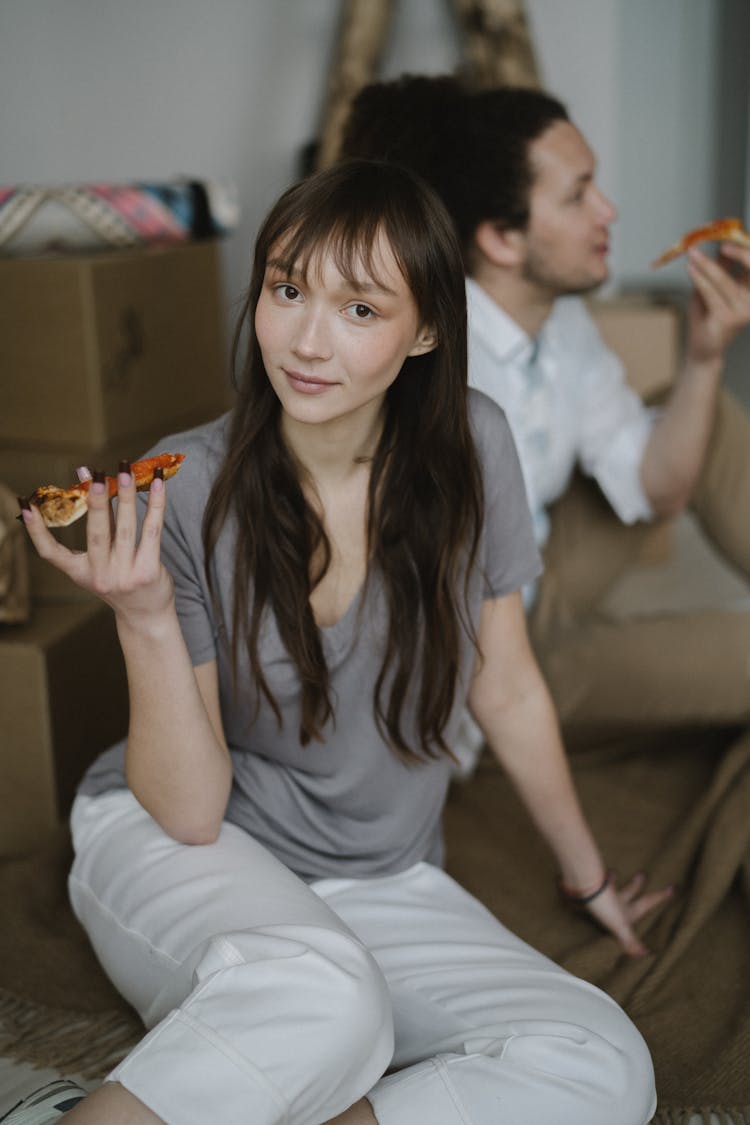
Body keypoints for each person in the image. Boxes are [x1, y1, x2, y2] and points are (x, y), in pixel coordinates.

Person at [15, 160, 666, 1125]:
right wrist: (144, 615)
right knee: (329, 1000)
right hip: (182, 841)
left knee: (603, 1059)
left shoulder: (473, 446)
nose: (307, 342)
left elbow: (508, 686)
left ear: (429, 330)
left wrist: (588, 874)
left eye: (360, 310)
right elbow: (192, 814)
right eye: (286, 290)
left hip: (380, 871)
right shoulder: (184, 486)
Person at [340, 76, 750, 734]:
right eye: (578, 194)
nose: (608, 211)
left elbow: (661, 487)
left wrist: (706, 356)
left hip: (541, 572)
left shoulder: (563, 323)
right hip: (481, 662)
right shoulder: (430, 373)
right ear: (502, 240)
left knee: (699, 410)